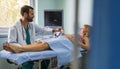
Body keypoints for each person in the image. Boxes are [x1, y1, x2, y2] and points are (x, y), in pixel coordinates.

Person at [3, 24, 91, 53]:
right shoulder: (77, 35)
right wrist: (61, 33)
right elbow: (68, 35)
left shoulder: (85, 38)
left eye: (83, 28)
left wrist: (74, 41)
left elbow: (87, 47)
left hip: (65, 42)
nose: (81, 29)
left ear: (86, 31)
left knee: (44, 45)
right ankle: (18, 49)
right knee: (39, 43)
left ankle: (19, 49)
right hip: (62, 39)